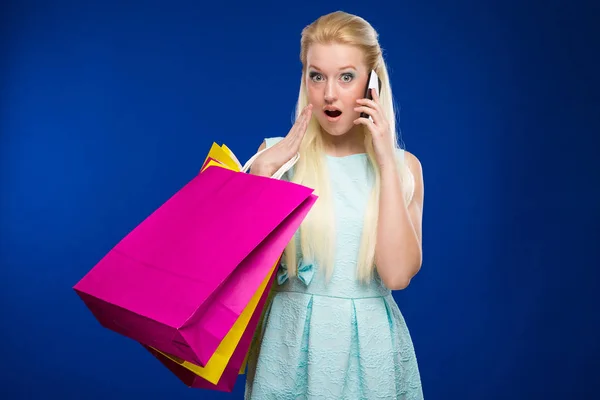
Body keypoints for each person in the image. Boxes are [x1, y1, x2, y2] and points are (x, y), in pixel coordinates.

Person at [244, 10, 425, 399]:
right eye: (316, 76)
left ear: (372, 81)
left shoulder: (402, 168)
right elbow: (232, 268)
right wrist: (259, 177)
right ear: (304, 78)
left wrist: (384, 164)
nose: (329, 94)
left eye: (346, 77)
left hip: (370, 346)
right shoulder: (273, 158)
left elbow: (396, 276)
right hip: (289, 346)